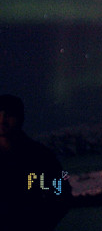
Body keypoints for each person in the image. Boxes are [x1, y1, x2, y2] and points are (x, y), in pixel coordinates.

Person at [0, 94, 71, 230]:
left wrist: (42, 223)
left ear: (20, 118)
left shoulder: (41, 157)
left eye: (8, 114)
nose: (2, 120)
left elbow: (62, 193)